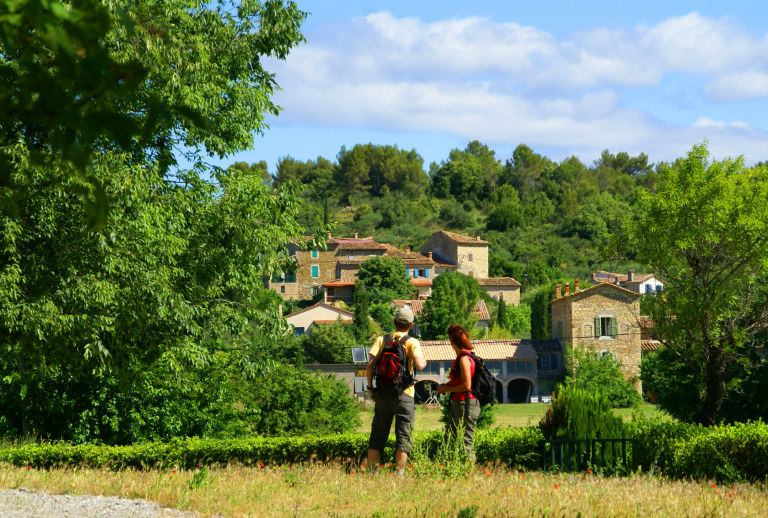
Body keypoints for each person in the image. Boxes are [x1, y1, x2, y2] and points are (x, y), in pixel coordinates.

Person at [366, 306, 426, 475]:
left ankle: (371, 472)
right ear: (411, 324)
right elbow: (420, 365)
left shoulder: (382, 340)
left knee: (377, 436)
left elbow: (370, 365)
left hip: (383, 394)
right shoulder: (411, 342)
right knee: (403, 437)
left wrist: (371, 389)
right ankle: (399, 474)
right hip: (405, 395)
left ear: (394, 323)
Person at [436, 324, 481, 461]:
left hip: (466, 403)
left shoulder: (463, 359)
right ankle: (450, 469)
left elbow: (467, 385)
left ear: (452, 342)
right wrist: (447, 385)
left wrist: (446, 389)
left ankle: (470, 474)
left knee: (466, 442)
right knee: (449, 439)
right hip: (460, 403)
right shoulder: (465, 357)